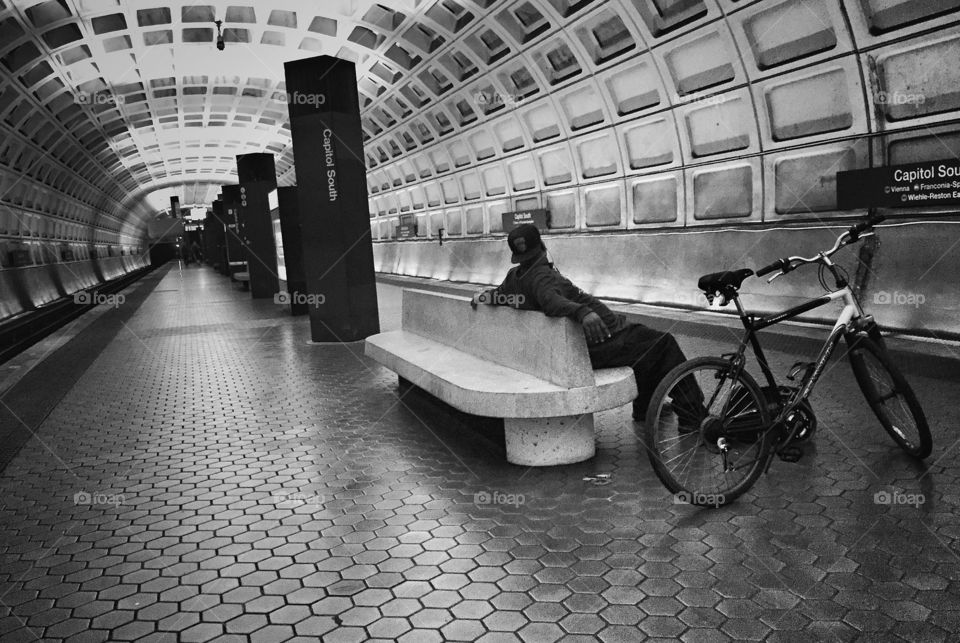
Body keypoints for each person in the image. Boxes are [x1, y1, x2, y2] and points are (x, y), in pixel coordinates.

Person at [471, 224, 704, 425]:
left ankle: (646, 407)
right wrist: (584, 312)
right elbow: (551, 303)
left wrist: (483, 296)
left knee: (643, 340)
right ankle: (691, 414)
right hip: (594, 345)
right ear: (541, 246)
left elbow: (500, 295)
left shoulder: (515, 276)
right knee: (663, 344)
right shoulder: (542, 276)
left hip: (569, 348)